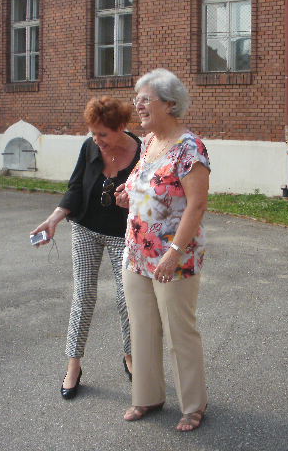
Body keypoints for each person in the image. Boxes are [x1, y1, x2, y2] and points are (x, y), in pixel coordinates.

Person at [114, 69, 210, 432]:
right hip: (136, 254)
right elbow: (145, 186)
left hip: (174, 258)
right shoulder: (149, 141)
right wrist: (128, 195)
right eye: (136, 99)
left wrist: (174, 251)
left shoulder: (190, 148)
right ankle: (147, 396)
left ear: (170, 104)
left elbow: (197, 204)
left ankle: (194, 405)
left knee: (179, 331)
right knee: (142, 327)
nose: (137, 105)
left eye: (145, 99)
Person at [31, 96, 141, 399]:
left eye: (103, 134)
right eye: (93, 133)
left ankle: (130, 355)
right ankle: (74, 365)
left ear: (121, 127)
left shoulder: (141, 152)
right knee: (83, 295)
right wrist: (54, 218)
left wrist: (134, 199)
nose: (97, 140)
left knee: (127, 299)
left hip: (122, 234)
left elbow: (150, 196)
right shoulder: (89, 147)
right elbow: (75, 187)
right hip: (85, 229)